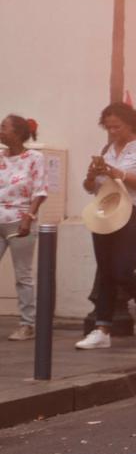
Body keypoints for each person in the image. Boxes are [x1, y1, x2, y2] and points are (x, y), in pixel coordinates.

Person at [76, 103, 136, 350]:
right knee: (106, 270)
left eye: (117, 126)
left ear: (130, 123)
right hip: (106, 211)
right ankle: (102, 329)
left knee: (123, 268)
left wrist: (120, 174)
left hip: (135, 210)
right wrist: (91, 176)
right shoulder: (107, 149)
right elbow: (92, 187)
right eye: (108, 127)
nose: (113, 131)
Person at [0, 114, 48, 342]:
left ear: (18, 133)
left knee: (23, 275)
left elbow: (40, 190)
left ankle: (27, 324)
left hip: (20, 220)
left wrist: (29, 216)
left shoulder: (34, 158)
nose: (0, 131)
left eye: (4, 127)